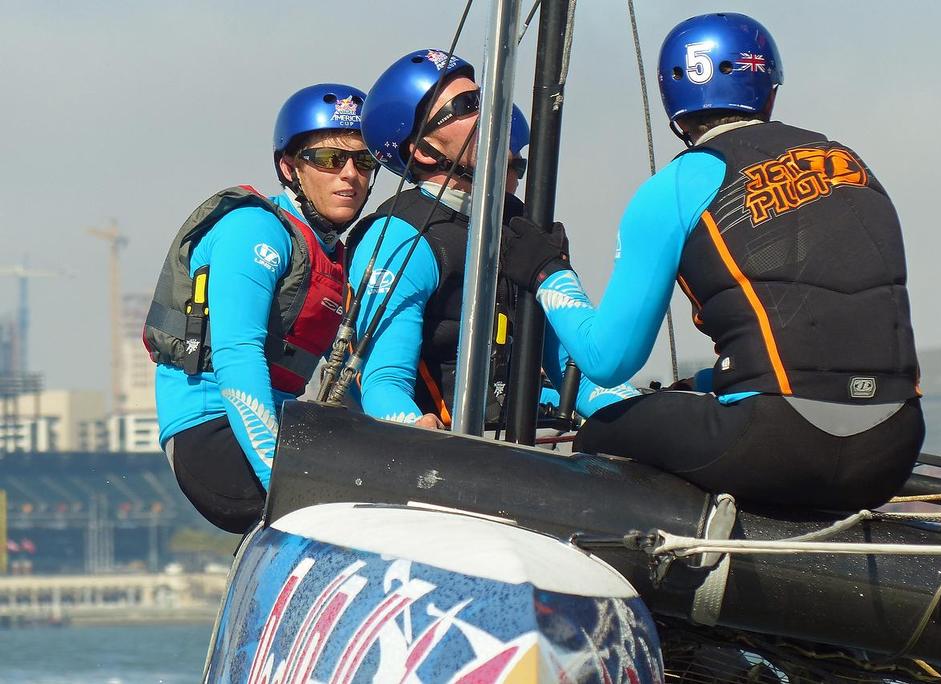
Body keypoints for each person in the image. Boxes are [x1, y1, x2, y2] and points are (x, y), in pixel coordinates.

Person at [503, 13, 924, 510]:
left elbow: (607, 360)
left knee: (601, 432)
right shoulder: (848, 162)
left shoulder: (675, 187)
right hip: (894, 447)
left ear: (674, 103)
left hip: (778, 443)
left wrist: (547, 271)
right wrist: (707, 383)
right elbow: (816, 325)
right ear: (767, 88)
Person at [349, 49, 638, 429]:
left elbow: (579, 378)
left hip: (507, 451)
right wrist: (416, 429)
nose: (489, 113)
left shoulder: (519, 229)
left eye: (484, 99)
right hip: (433, 462)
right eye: (467, 105)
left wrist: (648, 415)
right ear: (421, 149)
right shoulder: (402, 236)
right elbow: (383, 385)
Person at [144, 84, 375, 532]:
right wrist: (281, 481)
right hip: (214, 434)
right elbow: (237, 356)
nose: (349, 174)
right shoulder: (256, 229)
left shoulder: (334, 255)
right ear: (290, 168)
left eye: (362, 161)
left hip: (282, 426)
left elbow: (352, 376)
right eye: (330, 159)